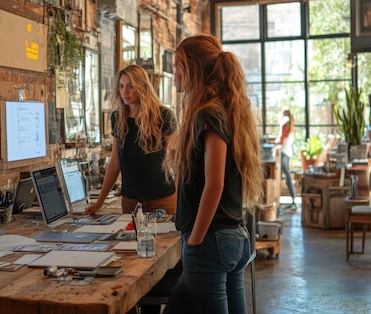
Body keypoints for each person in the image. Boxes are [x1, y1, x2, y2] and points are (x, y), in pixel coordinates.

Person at [162, 34, 264, 314]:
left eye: (177, 67)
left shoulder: (209, 115)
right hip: (230, 236)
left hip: (211, 240)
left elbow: (215, 183)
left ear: (193, 68)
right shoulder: (225, 110)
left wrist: (195, 239)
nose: (174, 76)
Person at [84, 64, 177, 216]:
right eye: (121, 86)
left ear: (142, 87)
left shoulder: (164, 115)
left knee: (165, 239)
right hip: (131, 201)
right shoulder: (117, 118)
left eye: (130, 86)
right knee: (131, 240)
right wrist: (100, 201)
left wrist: (180, 194)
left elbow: (176, 159)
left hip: (163, 199)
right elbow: (115, 162)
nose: (124, 92)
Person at [275, 108, 297, 211]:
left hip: (283, 152)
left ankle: (292, 201)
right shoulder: (291, 124)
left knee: (284, 176)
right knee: (286, 175)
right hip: (288, 152)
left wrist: (275, 143)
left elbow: (282, 140)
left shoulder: (285, 124)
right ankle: (293, 200)